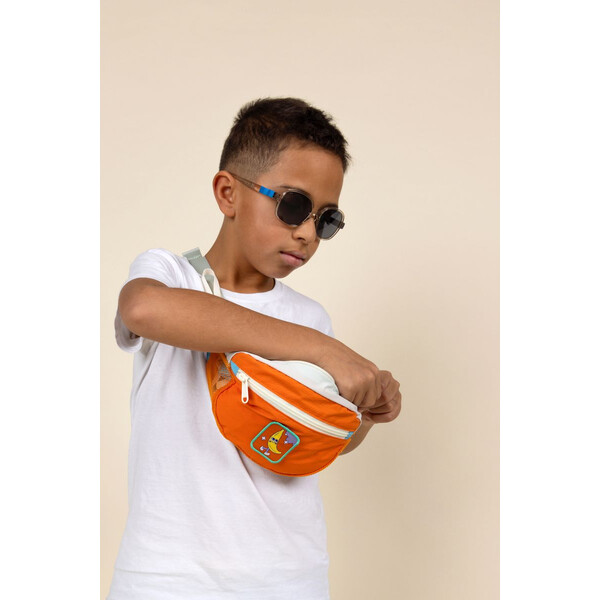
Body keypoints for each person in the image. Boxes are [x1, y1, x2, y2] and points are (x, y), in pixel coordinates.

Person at [108, 97, 402, 600]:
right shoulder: (171, 276)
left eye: (326, 219)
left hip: (287, 577)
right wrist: (321, 350)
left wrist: (364, 415)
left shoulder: (310, 316)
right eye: (293, 205)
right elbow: (141, 309)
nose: (307, 233)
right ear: (228, 193)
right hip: (167, 577)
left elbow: (312, 435)